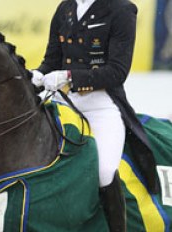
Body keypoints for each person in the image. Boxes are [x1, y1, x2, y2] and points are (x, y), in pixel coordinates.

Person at [32, 0, 159, 231]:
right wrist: (37, 75)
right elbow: (52, 59)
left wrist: (69, 77)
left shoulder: (121, 9)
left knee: (104, 171)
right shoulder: (66, 8)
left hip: (102, 103)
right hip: (64, 102)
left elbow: (117, 71)